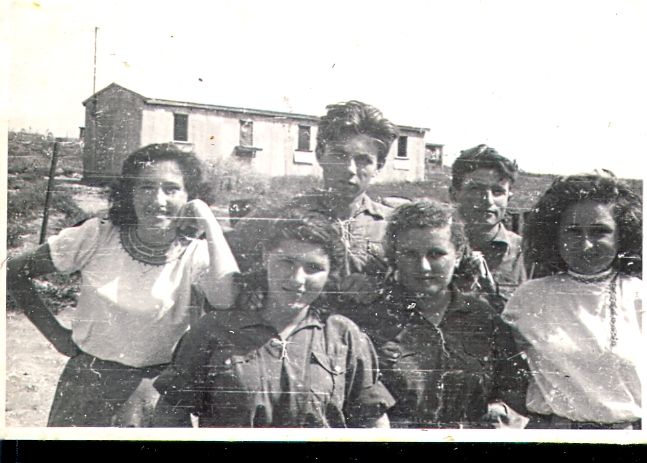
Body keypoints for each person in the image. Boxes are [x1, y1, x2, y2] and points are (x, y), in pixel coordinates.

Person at [7, 143, 240, 427]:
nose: (157, 200)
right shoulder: (97, 236)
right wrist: (55, 335)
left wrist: (209, 222)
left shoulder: (195, 253)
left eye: (171, 189)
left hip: (157, 395)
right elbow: (14, 271)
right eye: (146, 187)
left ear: (190, 197)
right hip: (88, 387)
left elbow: (226, 298)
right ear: (130, 193)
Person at [152, 209, 395, 427]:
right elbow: (169, 415)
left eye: (313, 268)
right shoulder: (214, 330)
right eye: (286, 262)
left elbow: (373, 423)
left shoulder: (343, 336)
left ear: (330, 273)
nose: (297, 279)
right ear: (265, 257)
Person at [340, 200, 528, 428]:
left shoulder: (484, 318)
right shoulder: (367, 319)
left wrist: (500, 414)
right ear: (394, 257)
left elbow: (516, 391)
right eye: (410, 254)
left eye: (436, 254)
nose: (424, 266)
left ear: (458, 255)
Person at [502, 171, 643, 429]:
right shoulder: (529, 297)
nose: (586, 245)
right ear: (555, 235)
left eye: (600, 232)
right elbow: (504, 376)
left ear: (622, 235)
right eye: (573, 232)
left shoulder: (638, 295)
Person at [227, 100, 399, 303]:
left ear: (379, 166)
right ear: (319, 154)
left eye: (363, 160)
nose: (349, 169)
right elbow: (226, 272)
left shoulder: (393, 225)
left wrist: (380, 289)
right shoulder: (278, 216)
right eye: (339, 155)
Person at [450, 144, 526, 311]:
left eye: (498, 191)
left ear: (508, 198)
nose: (488, 200)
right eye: (476, 189)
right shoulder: (432, 248)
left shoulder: (525, 254)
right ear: (454, 194)